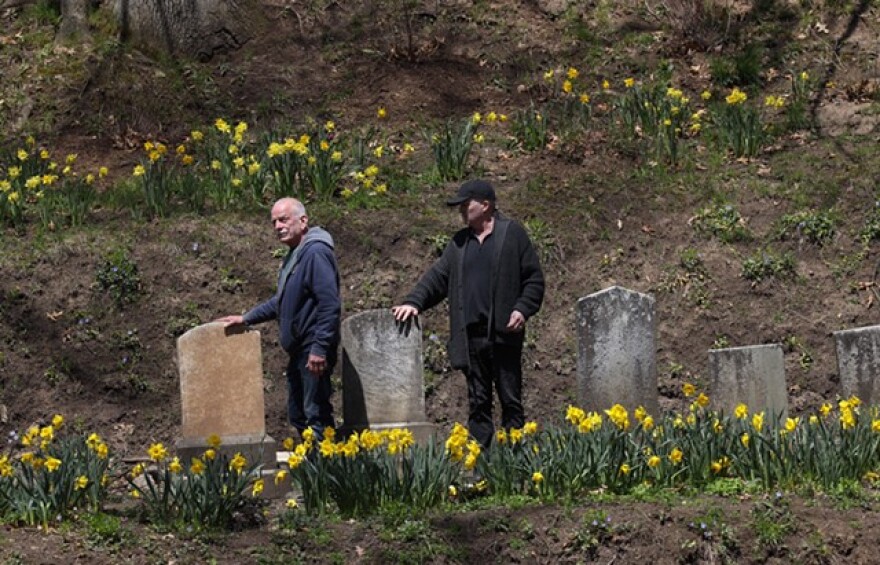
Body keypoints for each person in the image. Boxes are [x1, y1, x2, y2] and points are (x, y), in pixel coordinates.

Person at [392, 179, 544, 448]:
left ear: (486, 205)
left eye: (465, 205)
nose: (461, 211)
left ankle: (515, 463)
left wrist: (522, 309)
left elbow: (533, 279)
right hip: (470, 338)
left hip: (503, 335)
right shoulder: (459, 243)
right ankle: (482, 467)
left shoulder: (512, 235)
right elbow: (438, 277)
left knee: (510, 399)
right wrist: (414, 301)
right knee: (478, 404)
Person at [217, 197, 341, 440]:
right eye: (274, 222)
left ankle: (327, 471)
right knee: (298, 414)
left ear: (303, 221)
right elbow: (282, 301)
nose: (277, 226)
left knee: (315, 415)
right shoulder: (295, 256)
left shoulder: (315, 253)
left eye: (283, 220)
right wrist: (246, 318)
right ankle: (314, 471)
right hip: (298, 350)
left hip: (311, 349)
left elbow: (329, 304)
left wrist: (319, 348)